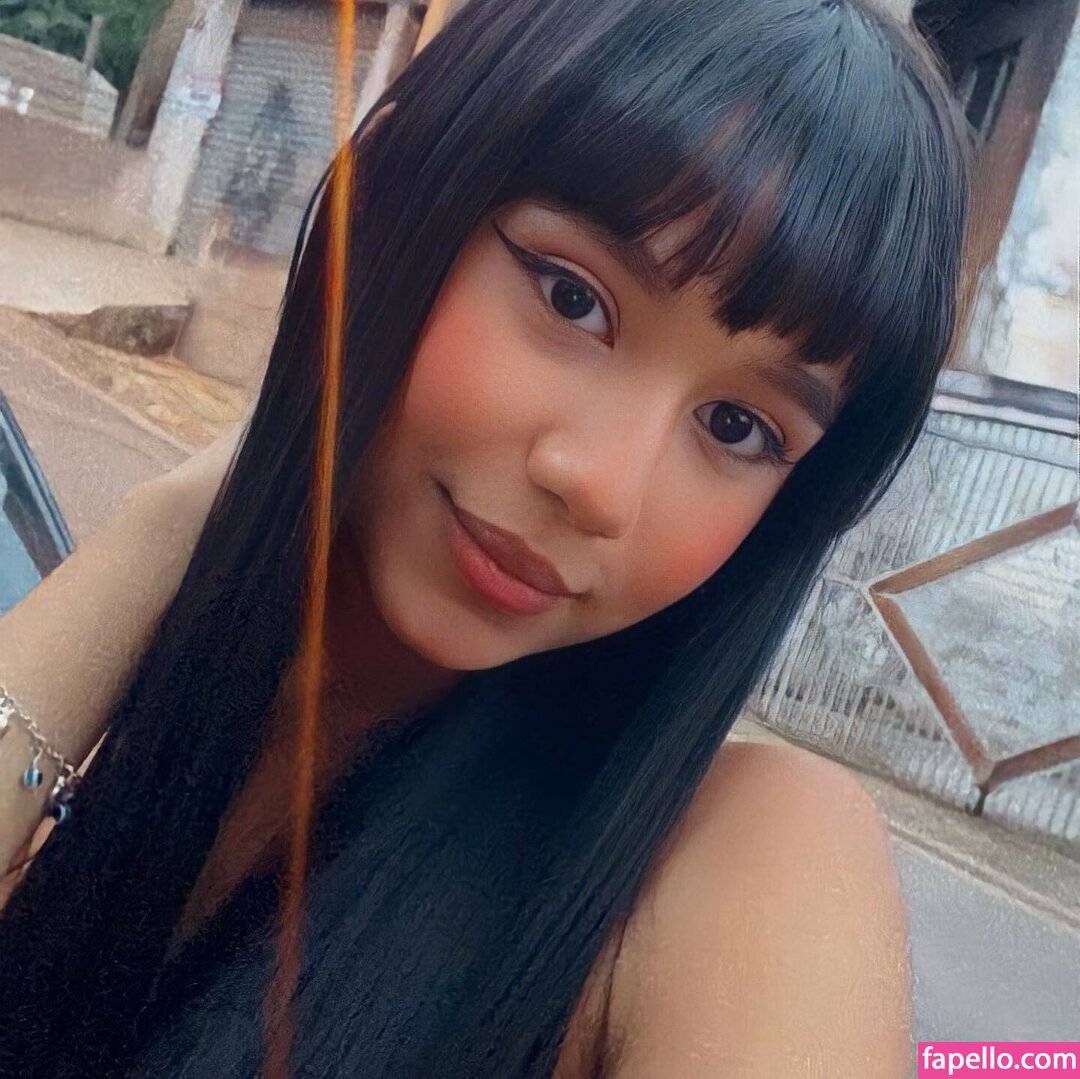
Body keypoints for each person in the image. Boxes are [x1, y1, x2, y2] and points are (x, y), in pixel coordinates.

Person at [0, 0, 970, 1075]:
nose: (601, 486)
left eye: (738, 427)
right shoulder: (180, 692)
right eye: (573, 298)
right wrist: (178, 527)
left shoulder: (745, 864)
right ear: (400, 206)